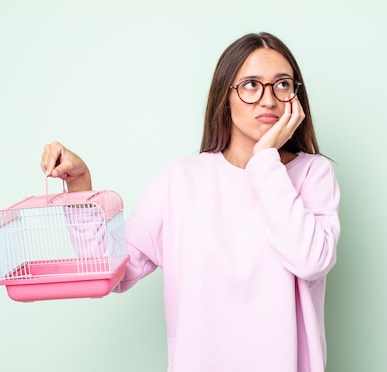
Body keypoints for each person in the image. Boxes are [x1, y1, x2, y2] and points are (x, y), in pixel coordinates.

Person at [41, 32, 340, 372]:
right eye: (251, 85)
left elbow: (312, 260)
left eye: (282, 85)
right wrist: (80, 185)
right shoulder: (180, 180)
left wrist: (265, 162)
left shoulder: (313, 174)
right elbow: (109, 271)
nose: (269, 100)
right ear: (224, 96)